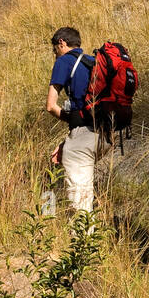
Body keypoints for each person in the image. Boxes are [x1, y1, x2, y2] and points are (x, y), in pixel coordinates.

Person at [47, 26, 99, 214]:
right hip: (106, 133)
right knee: (86, 187)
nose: (55, 54)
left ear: (61, 43)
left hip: (84, 135)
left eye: (55, 49)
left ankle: (84, 241)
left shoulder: (64, 61)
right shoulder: (92, 62)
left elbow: (51, 106)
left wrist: (73, 123)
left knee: (79, 200)